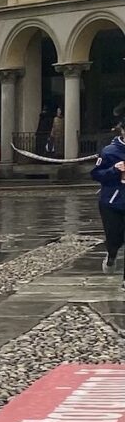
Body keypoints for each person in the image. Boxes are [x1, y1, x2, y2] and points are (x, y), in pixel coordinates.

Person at [91, 117, 125, 291]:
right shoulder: (110, 151)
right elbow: (96, 174)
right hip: (112, 201)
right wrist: (114, 169)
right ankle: (111, 254)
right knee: (114, 238)